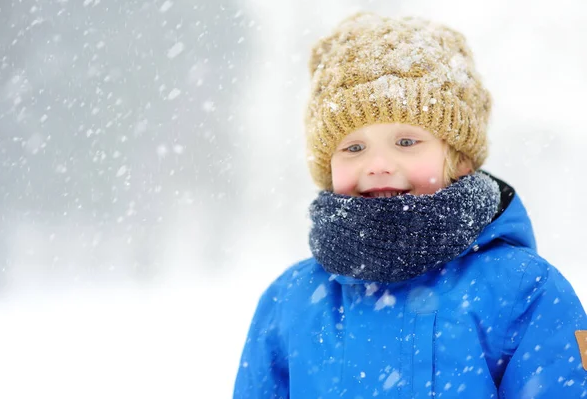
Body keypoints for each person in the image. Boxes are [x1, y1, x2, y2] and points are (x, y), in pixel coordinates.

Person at [233, 12, 587, 398]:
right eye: (354, 147)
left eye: (406, 142)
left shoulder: (526, 290)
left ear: (459, 159)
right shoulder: (290, 301)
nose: (378, 165)